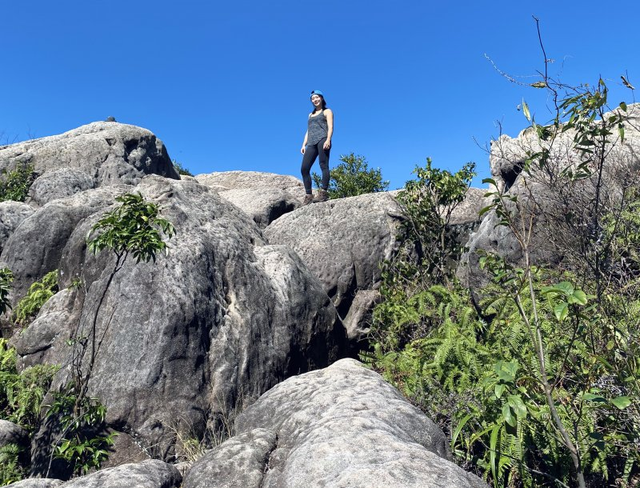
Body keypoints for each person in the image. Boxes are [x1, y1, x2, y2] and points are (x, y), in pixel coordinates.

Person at [300, 90, 333, 204]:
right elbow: (308, 131)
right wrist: (303, 144)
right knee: (304, 168)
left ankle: (323, 193)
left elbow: (330, 126)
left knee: (323, 165)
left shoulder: (327, 111)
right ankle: (309, 195)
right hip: (311, 143)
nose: (315, 100)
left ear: (322, 98)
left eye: (317, 97)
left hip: (323, 139)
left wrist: (328, 139)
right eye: (313, 98)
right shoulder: (310, 115)